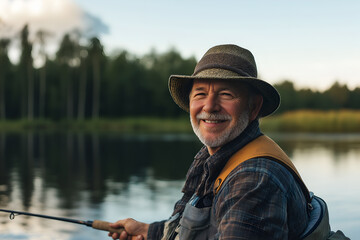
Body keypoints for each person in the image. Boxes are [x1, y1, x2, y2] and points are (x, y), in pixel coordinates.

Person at [108, 44, 310, 240]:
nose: (210, 106)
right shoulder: (214, 154)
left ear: (254, 107)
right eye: (200, 94)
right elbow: (192, 227)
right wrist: (149, 231)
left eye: (225, 94)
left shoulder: (254, 179)